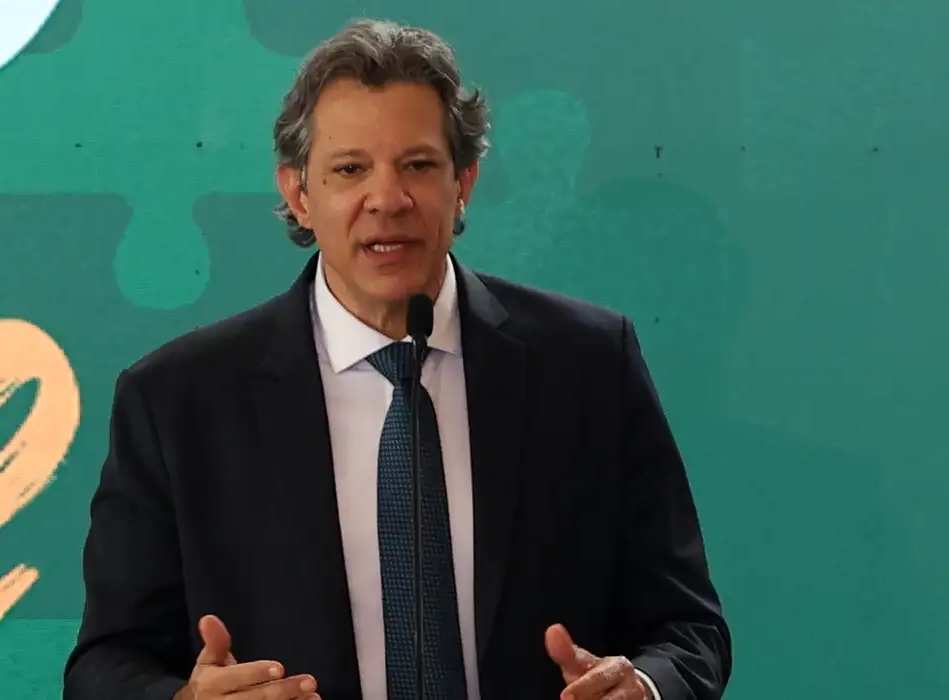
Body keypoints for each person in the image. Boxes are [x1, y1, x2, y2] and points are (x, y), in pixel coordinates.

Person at [63, 18, 732, 700]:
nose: (388, 200)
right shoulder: (178, 401)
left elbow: (689, 630)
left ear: (463, 181)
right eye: (350, 169)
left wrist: (645, 687)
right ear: (298, 193)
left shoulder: (589, 366)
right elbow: (104, 665)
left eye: (418, 165)